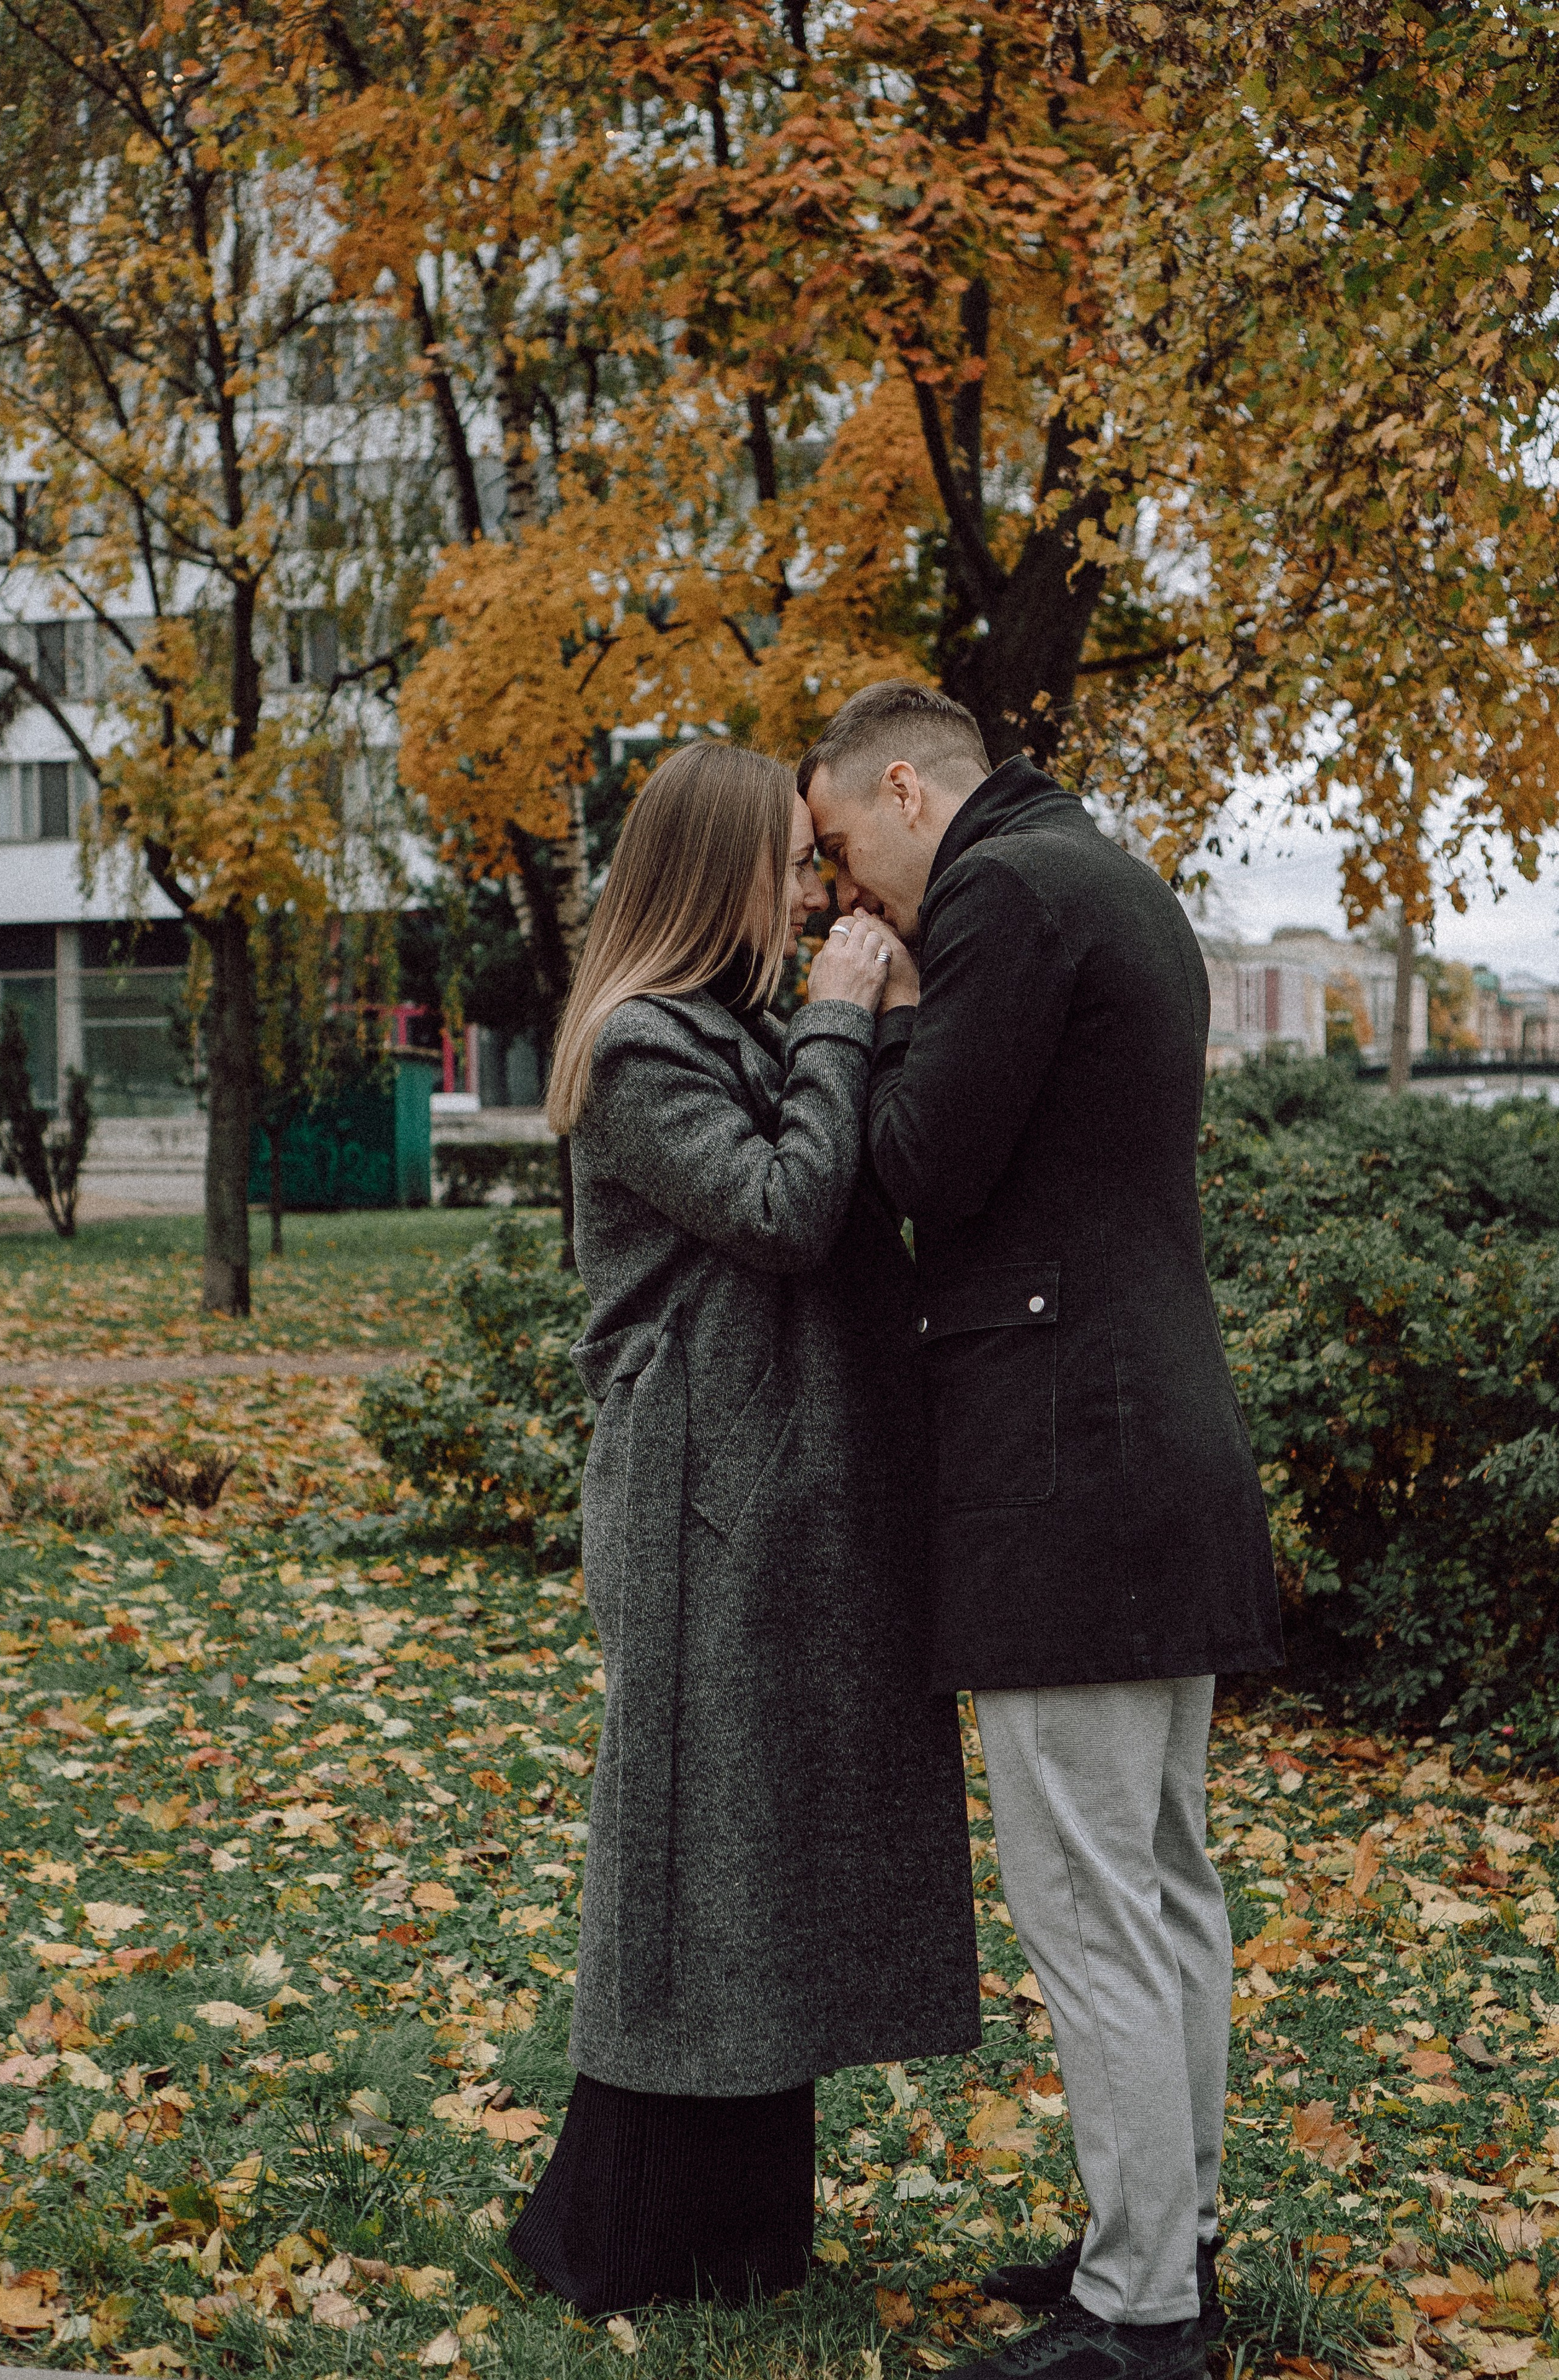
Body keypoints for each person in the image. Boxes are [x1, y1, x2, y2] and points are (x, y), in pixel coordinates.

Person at [802, 682, 1284, 2380]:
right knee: (1161, 1879)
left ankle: (1139, 2312)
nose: (842, 890)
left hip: (1066, 1460)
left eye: (841, 847)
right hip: (1154, 1434)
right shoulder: (1110, 874)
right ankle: (1170, 2233)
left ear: (906, 788)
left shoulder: (999, 891)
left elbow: (922, 1165)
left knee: (1088, 1902)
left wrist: (867, 1015)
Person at [509, 738, 980, 2317]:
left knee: (760, 1844)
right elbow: (782, 1210)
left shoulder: (736, 1030)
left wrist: (866, 1025)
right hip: (700, 1494)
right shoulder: (637, 1043)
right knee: (693, 1839)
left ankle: (739, 2232)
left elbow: (850, 1176)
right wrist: (842, 1017)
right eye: (785, 863)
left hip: (778, 1486)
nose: (811, 890)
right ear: (714, 872)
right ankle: (624, 2232)